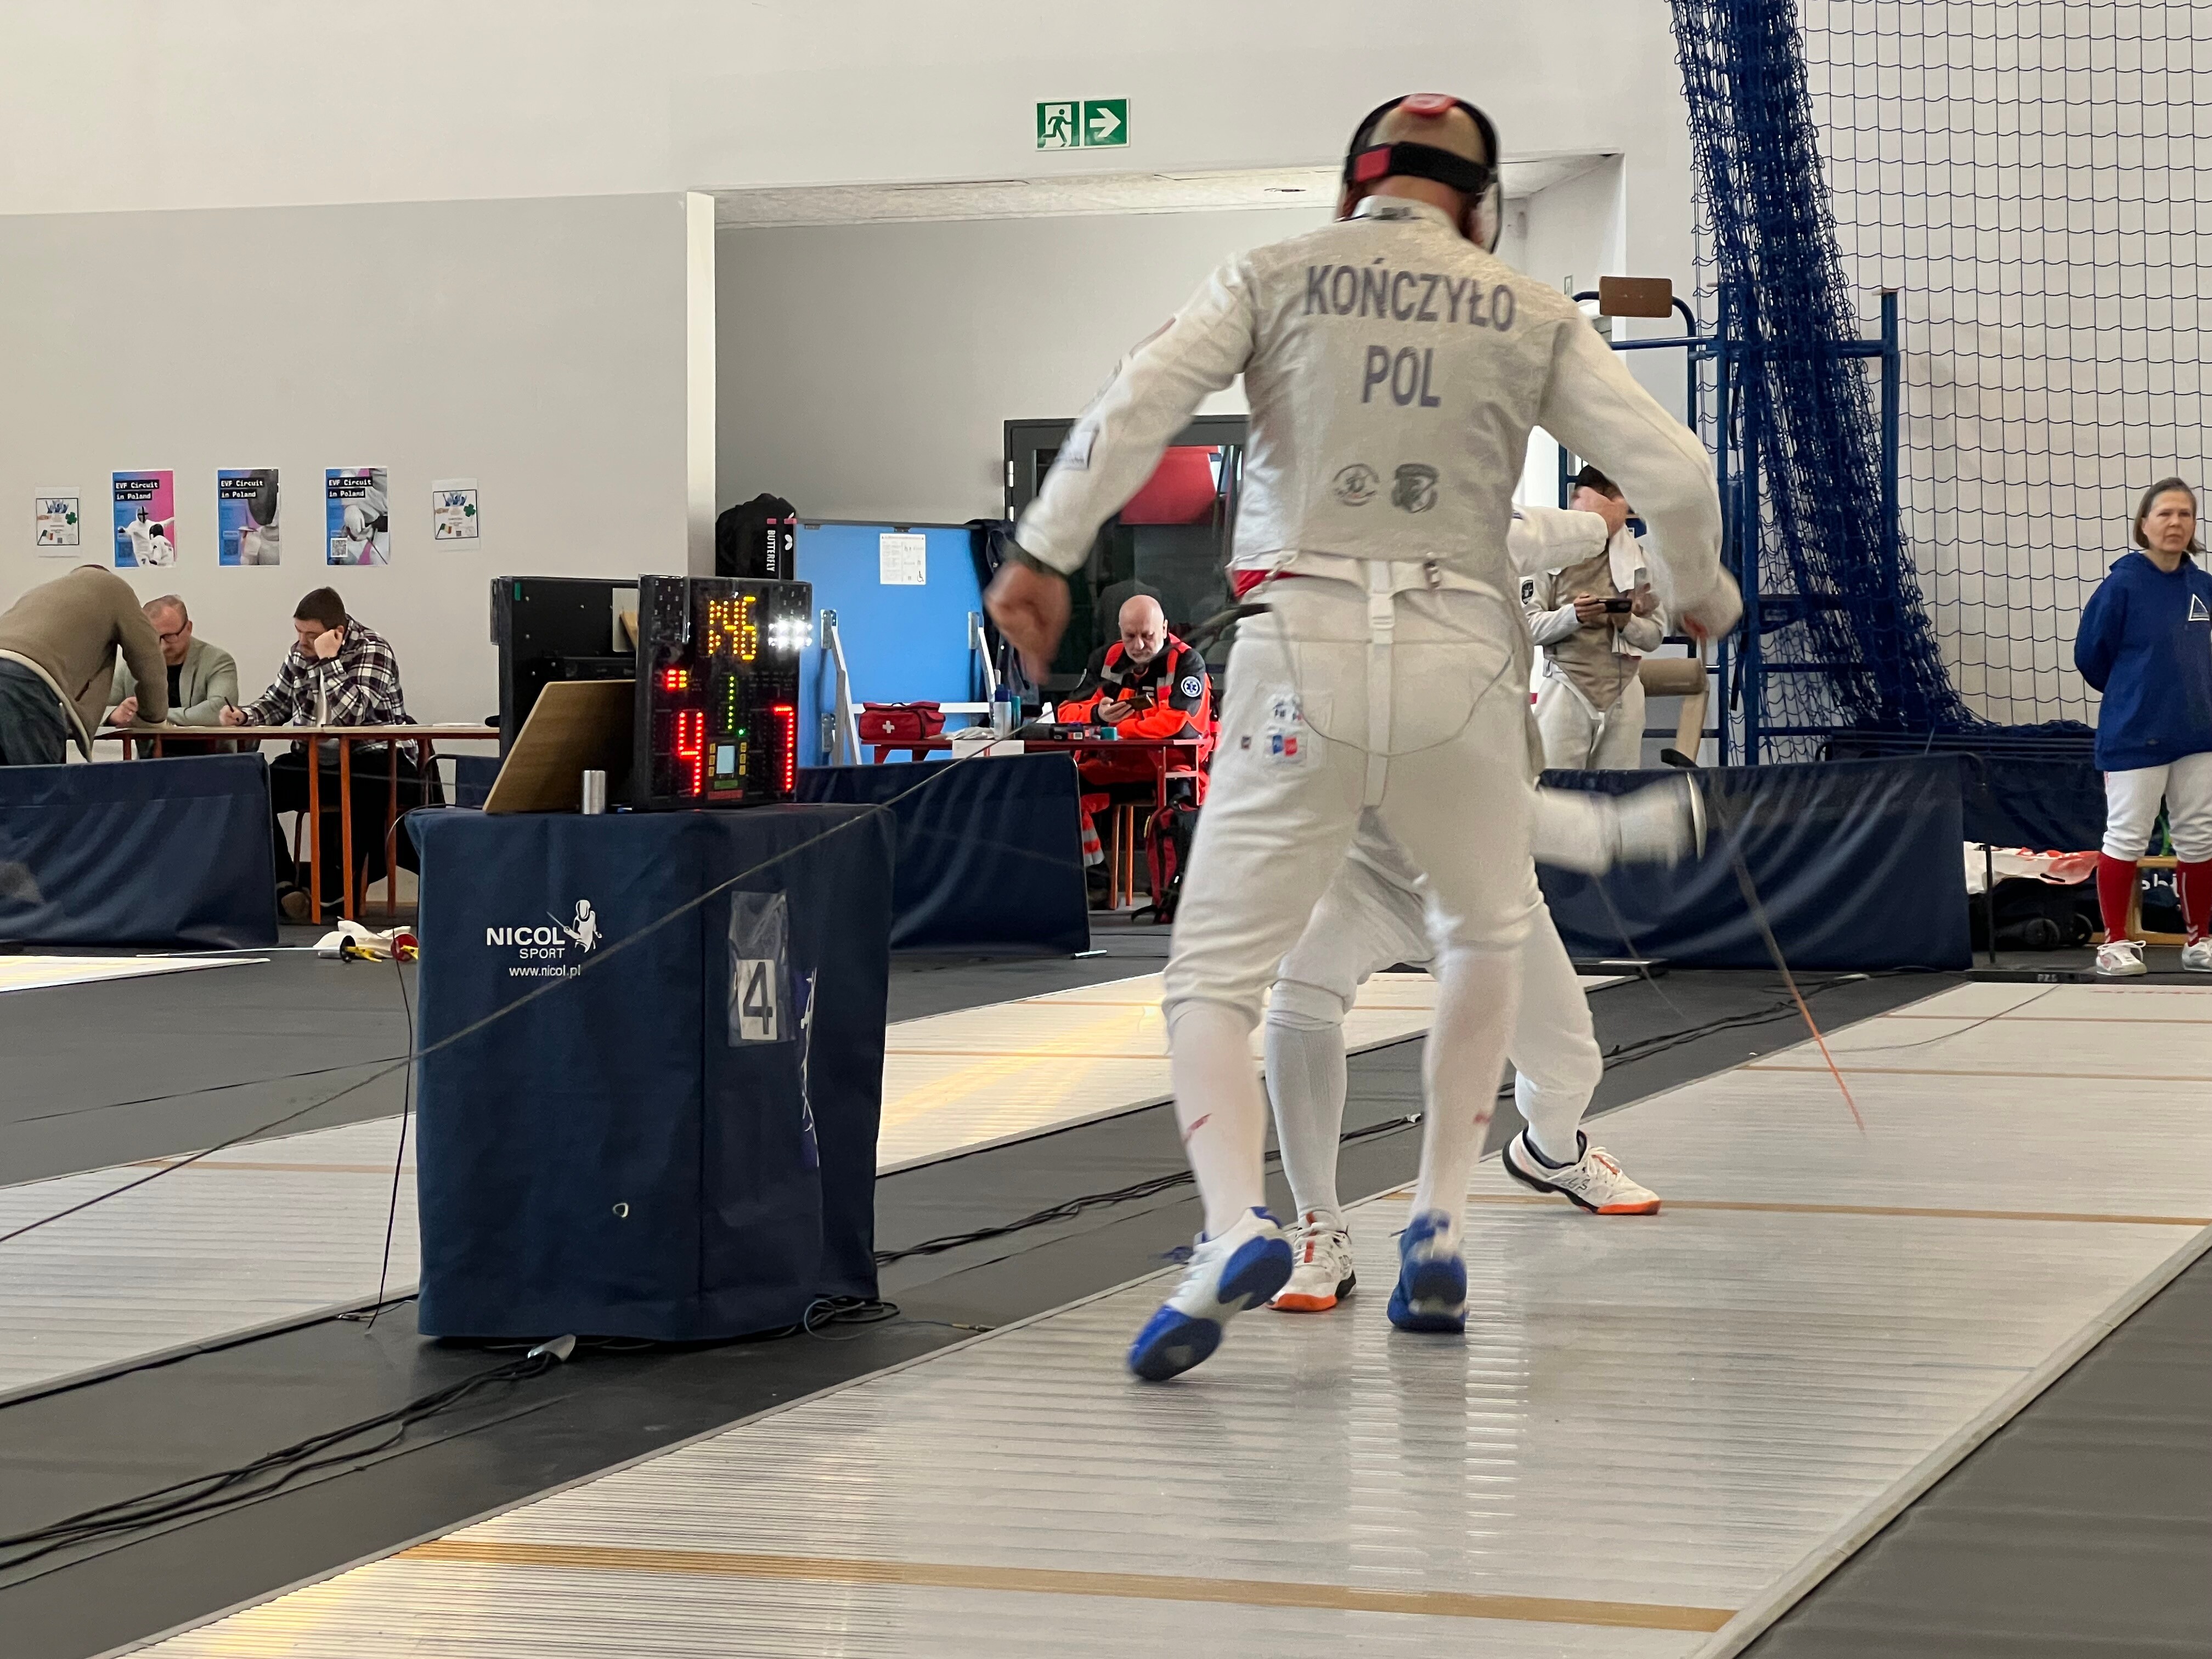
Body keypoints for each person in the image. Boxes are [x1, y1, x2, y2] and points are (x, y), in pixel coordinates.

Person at [986, 93, 1736, 1380]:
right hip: (1458, 667)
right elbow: (1673, 472)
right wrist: (1700, 587)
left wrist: (1045, 549)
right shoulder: (1527, 307)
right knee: (1481, 941)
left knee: (1213, 979)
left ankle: (1240, 1224)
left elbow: (1137, 400)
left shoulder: (1272, 271)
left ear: (1353, 190)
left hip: (1301, 655)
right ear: (1481, 210)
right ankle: (1437, 1223)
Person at [2074, 477, 2212, 977]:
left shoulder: (2203, 587)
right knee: (2127, 837)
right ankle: (2114, 943)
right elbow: (2091, 656)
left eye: (2185, 514)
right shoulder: (2121, 586)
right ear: (2144, 524)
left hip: (2197, 736)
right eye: (2165, 514)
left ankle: (2199, 941)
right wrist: (2136, 695)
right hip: (2134, 735)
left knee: (2199, 838)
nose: (2175, 523)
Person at [223, 586, 417, 917]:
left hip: (374, 758)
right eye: (298, 631)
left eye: (311, 635)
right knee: (254, 786)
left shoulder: (374, 649)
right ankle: (283, 883)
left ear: (336, 633)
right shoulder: (299, 653)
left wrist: (329, 661)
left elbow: (352, 716)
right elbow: (277, 703)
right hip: (315, 760)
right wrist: (245, 716)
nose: (302, 641)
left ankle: (338, 889)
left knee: (364, 788)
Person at [1060, 594, 1212, 877]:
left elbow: (1177, 724)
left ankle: (1171, 892)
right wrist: (1097, 715)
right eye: (1130, 636)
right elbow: (1066, 712)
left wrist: (1113, 730)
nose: (1138, 645)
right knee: (1063, 791)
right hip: (1117, 766)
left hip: (1173, 768)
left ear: (1165, 629)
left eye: (1147, 635)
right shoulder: (1106, 659)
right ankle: (1094, 881)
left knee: (1179, 816)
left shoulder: (1188, 662)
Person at [1525, 464, 1664, 769]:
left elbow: (1655, 636)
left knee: (1618, 791)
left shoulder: (1640, 562)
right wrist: (1572, 615)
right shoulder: (1547, 555)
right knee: (1557, 786)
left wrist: (1627, 623)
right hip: (1566, 686)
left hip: (1624, 692)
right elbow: (1527, 628)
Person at [0, 566, 168, 765]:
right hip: (21, 685)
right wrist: (152, 719)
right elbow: (148, 659)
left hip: (17, 678)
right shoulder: (114, 588)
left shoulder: (40, 593)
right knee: (35, 783)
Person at [107, 595, 240, 733]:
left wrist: (147, 717)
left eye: (170, 637)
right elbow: (99, 709)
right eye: (153, 638)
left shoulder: (218, 661)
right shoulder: (133, 664)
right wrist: (114, 714)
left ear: (189, 628)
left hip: (208, 747)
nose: (162, 646)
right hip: (153, 748)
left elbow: (220, 710)